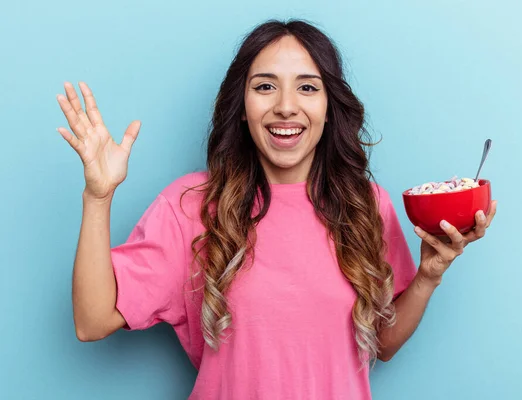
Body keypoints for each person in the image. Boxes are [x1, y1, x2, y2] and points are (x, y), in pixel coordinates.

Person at [56, 19, 497, 400]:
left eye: (307, 87)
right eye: (264, 86)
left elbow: (380, 343)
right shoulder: (191, 205)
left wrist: (428, 276)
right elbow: (91, 321)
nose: (286, 105)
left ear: (328, 109)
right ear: (242, 109)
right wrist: (98, 197)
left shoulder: (365, 205)